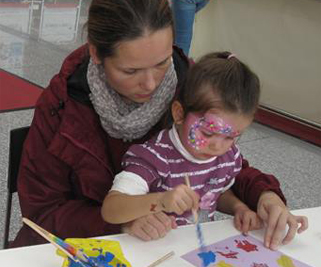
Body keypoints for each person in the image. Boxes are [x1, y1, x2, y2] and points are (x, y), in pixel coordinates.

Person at [12, 0, 307, 251]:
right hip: (80, 250)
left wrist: (263, 196)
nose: (151, 84)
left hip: (166, 250)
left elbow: (219, 162)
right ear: (97, 54)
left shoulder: (191, 86)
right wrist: (123, 221)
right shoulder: (63, 105)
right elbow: (43, 211)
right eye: (131, 70)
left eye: (162, 62)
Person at [101, 52, 308, 248]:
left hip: (196, 252)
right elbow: (111, 209)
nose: (218, 146)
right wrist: (160, 201)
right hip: (155, 250)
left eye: (231, 136)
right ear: (179, 113)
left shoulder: (227, 156)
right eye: (208, 133)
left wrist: (238, 207)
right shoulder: (155, 157)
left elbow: (214, 192)